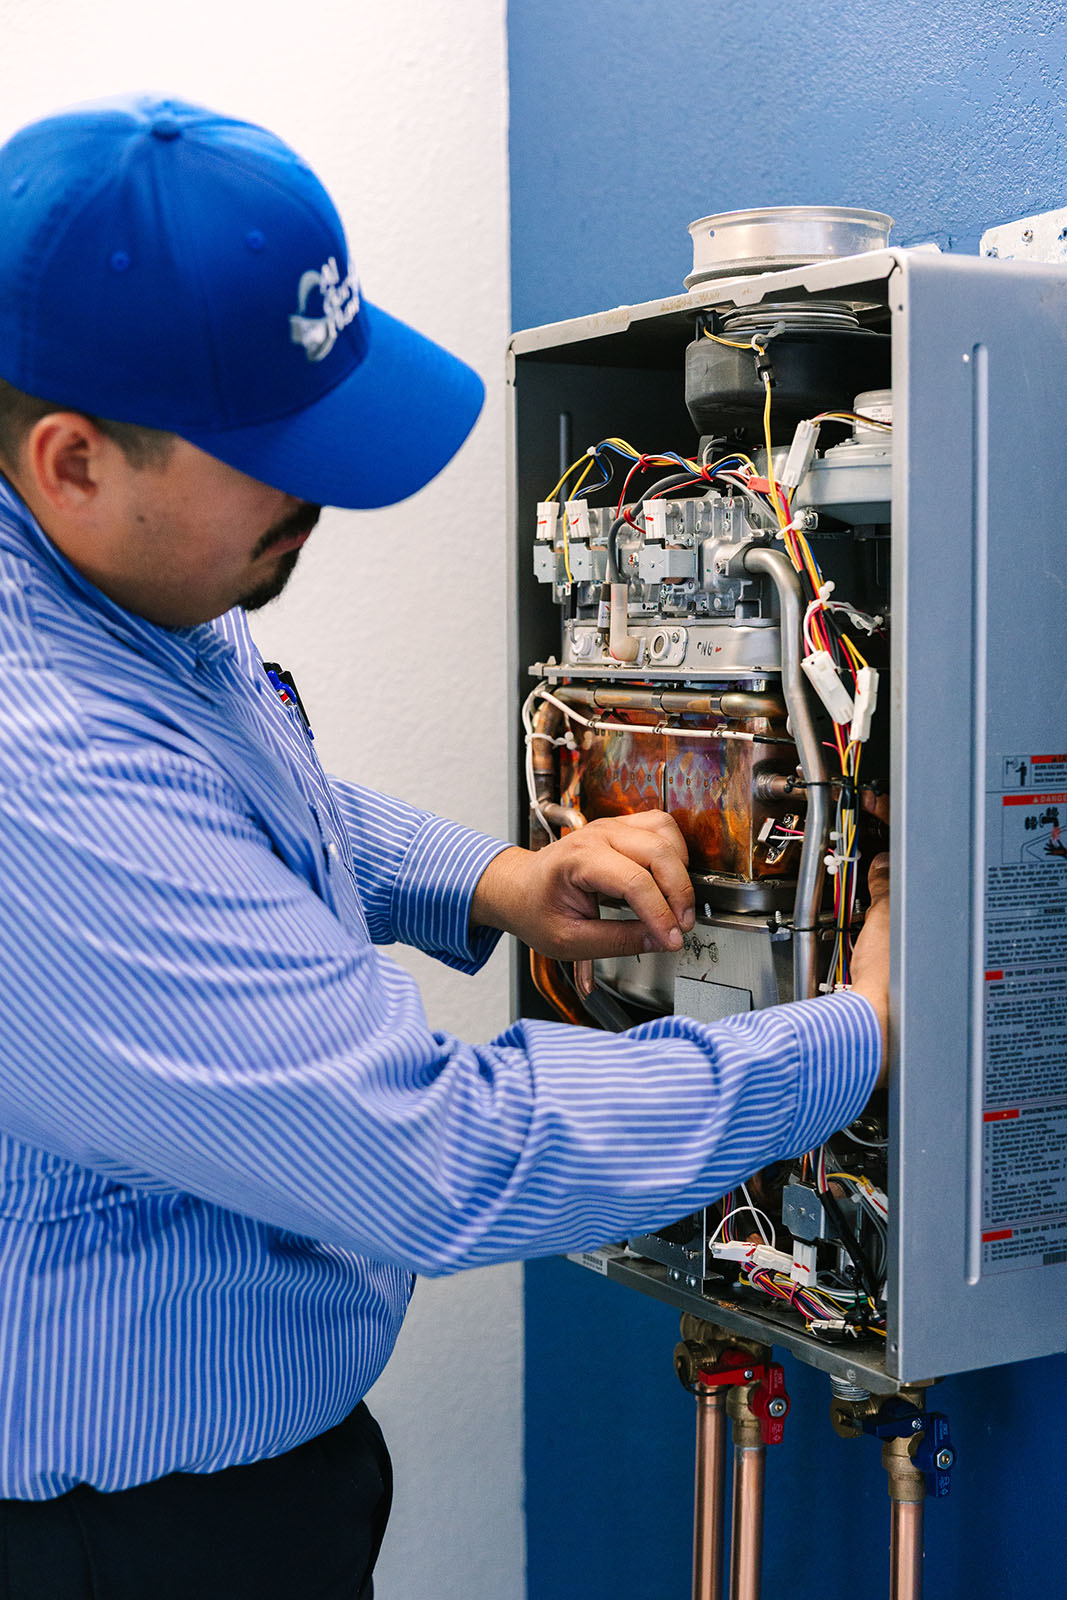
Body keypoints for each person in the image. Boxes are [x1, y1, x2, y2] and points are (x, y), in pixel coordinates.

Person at [0, 94, 889, 1598]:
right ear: (75, 461)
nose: (329, 490)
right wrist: (857, 1031)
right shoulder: (38, 767)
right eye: (278, 448)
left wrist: (492, 881)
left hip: (244, 1482)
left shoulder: (104, 594)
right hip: (118, 1542)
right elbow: (440, 1159)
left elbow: (222, 799)